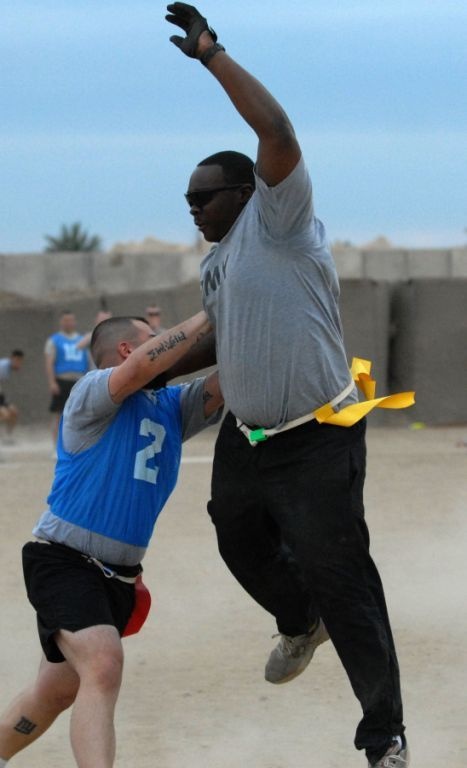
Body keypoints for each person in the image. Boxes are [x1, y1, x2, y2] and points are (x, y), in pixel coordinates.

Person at [165, 4, 409, 767]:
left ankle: (383, 737)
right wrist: (134, 375)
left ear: (245, 193)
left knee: (346, 582)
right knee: (236, 536)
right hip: (248, 433)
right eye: (187, 201)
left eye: (204, 196)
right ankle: (297, 616)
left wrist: (213, 55)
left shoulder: (281, 220)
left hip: (316, 435)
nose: (194, 208)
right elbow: (214, 340)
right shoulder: (215, 265)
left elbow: (276, 133)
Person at [0, 311, 222, 768]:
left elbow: (230, 378)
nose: (162, 342)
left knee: (55, 691)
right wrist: (208, 312)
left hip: (119, 578)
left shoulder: (171, 406)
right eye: (151, 337)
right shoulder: (91, 391)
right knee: (103, 663)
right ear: (127, 349)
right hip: (62, 559)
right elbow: (142, 368)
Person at [44, 311, 89, 446]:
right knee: (59, 415)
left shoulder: (82, 340)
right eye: (65, 320)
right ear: (61, 322)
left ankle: (78, 445)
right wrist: (52, 382)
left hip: (79, 381)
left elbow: (88, 360)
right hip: (62, 380)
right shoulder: (54, 340)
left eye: (70, 320)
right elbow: (49, 362)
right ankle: (56, 447)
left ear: (74, 321)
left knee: (81, 415)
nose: (68, 323)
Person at [0, 350, 24, 443]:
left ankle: (7, 437)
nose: (20, 365)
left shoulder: (8, 367)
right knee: (5, 415)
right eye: (19, 361)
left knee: (14, 412)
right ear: (14, 359)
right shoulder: (3, 366)